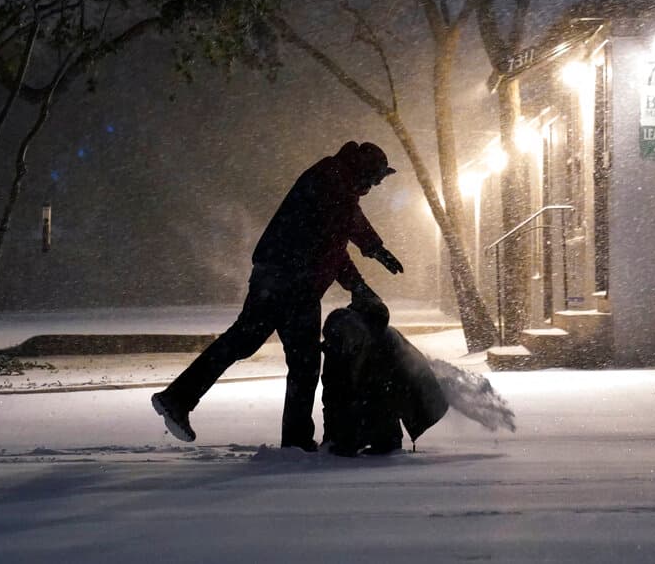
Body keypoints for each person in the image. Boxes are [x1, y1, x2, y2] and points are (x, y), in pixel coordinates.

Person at [152, 141, 404, 449]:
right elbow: (338, 239)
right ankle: (293, 440)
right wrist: (369, 263)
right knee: (297, 361)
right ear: (365, 170)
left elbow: (335, 243)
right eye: (376, 179)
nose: (374, 186)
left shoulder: (336, 179)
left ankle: (179, 398)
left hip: (281, 279)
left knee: (251, 345)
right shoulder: (333, 180)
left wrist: (368, 262)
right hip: (291, 283)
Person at [320, 297, 449, 456]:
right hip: (382, 388)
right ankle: (368, 438)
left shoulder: (385, 346)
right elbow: (332, 395)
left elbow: (385, 396)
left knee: (378, 399)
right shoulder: (338, 347)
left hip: (403, 389)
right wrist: (332, 437)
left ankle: (384, 441)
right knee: (352, 399)